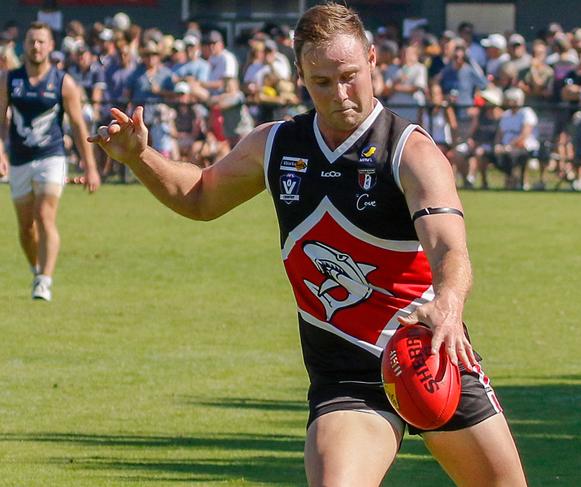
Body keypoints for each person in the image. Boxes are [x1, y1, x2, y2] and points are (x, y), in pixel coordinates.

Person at [90, 4, 527, 486]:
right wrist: (140, 156)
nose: (340, 94)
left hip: (429, 353)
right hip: (346, 376)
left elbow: (449, 249)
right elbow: (200, 197)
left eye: (349, 76)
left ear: (373, 60)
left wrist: (449, 302)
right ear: (300, 76)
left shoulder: (412, 151)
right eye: (322, 81)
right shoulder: (276, 144)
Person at [0, 22, 100, 301]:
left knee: (44, 216)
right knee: (25, 228)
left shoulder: (63, 82)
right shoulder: (9, 79)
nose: (36, 46)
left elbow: (79, 127)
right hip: (20, 159)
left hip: (51, 157)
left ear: (51, 46)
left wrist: (90, 167)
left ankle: (44, 280)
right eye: (31, 41)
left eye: (41, 42)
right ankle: (36, 269)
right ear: (25, 44)